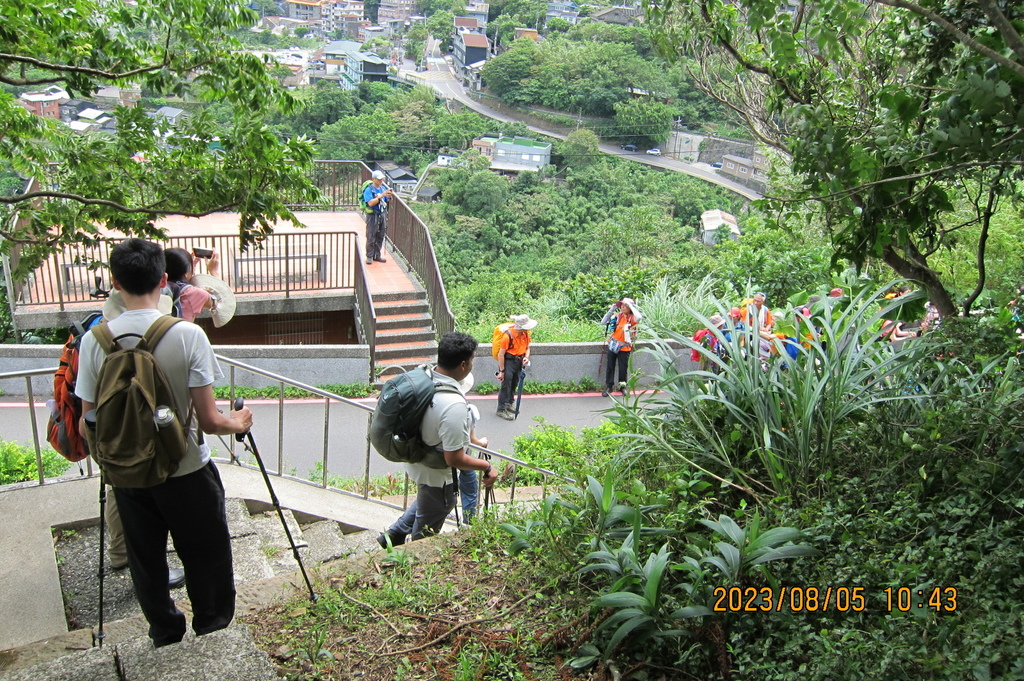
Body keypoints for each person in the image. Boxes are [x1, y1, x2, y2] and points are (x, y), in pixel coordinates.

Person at [75, 238, 253, 648]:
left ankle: (165, 631)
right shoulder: (188, 336)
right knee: (206, 555)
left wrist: (115, 461)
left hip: (128, 476)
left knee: (145, 560)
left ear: (116, 282)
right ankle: (212, 627)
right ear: (163, 279)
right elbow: (209, 422)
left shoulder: (94, 341)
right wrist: (238, 420)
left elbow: (90, 418)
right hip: (186, 469)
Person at [378, 333, 499, 546]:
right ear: (463, 364)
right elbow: (455, 459)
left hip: (417, 459)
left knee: (426, 501)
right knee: (429, 522)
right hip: (437, 476)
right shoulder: (454, 406)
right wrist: (487, 467)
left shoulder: (425, 375)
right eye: (472, 359)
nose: (472, 363)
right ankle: (415, 560)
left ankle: (393, 535)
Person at [495, 314, 537, 420]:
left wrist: (526, 357)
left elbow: (527, 348)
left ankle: (509, 403)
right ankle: (501, 409)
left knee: (514, 383)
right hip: (508, 362)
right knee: (506, 385)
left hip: (519, 362)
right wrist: (502, 371)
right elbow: (501, 355)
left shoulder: (525, 334)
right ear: (521, 326)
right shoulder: (507, 336)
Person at [164, 247, 221, 323]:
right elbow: (220, 299)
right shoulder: (193, 293)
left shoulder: (155, 288)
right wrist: (214, 271)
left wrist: (189, 271)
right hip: (182, 333)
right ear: (186, 273)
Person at [601, 298, 642, 396]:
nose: (622, 307)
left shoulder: (633, 318)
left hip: (625, 347)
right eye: (622, 305)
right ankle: (609, 387)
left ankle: (622, 387)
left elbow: (639, 317)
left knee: (623, 368)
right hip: (613, 344)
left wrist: (631, 306)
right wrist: (612, 309)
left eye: (625, 305)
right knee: (610, 367)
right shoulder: (618, 316)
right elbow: (603, 322)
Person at [363, 170, 393, 265]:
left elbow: (385, 200)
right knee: (371, 235)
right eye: (379, 179)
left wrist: (388, 196)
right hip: (373, 215)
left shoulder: (382, 188)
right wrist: (381, 196)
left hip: (382, 214)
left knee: (381, 234)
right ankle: (369, 256)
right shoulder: (369, 189)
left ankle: (377, 254)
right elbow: (370, 203)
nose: (381, 181)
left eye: (382, 179)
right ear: (374, 179)